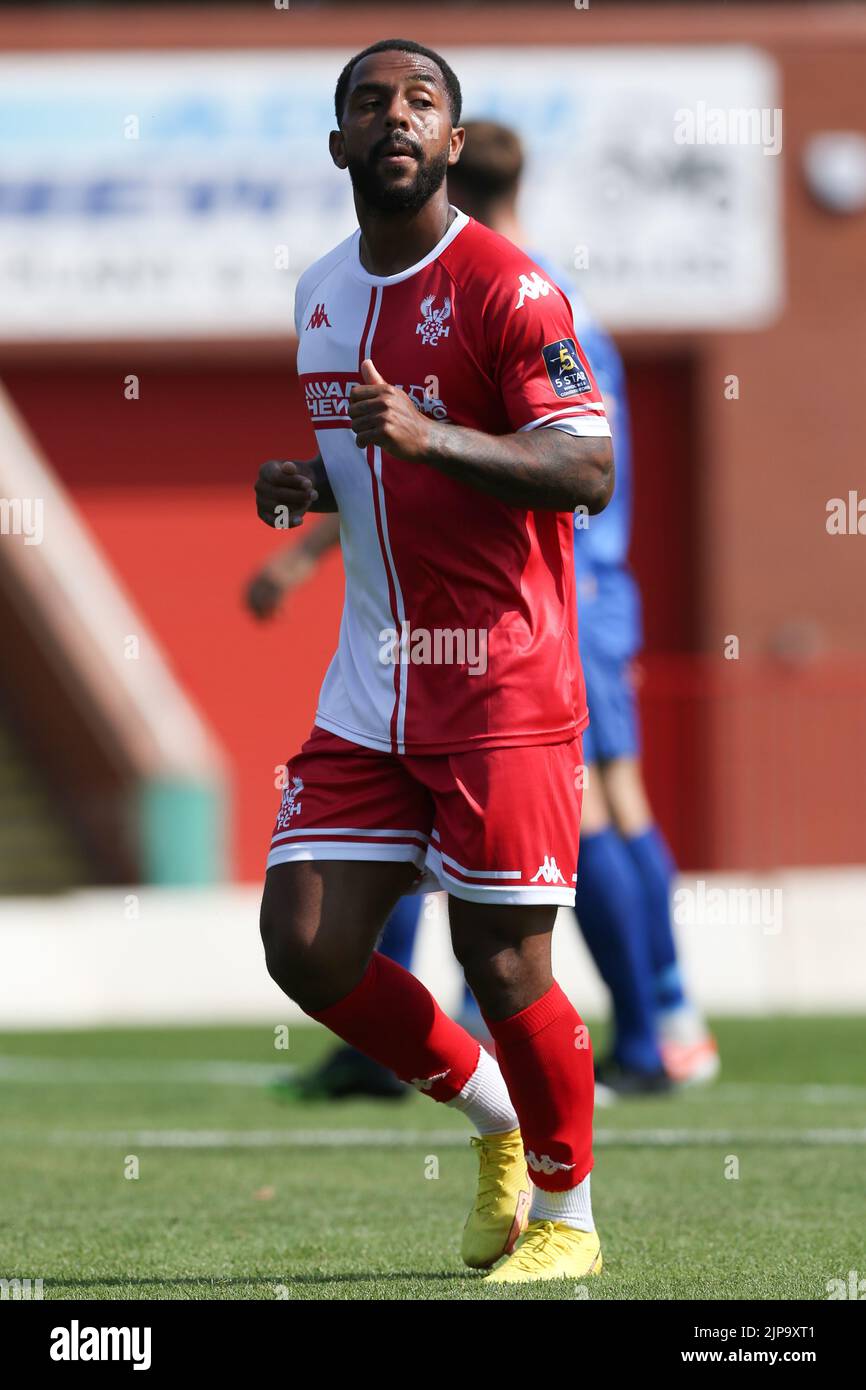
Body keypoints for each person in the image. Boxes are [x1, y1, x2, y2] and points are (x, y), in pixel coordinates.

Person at [249, 117, 718, 1103]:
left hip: (542, 599)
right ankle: (636, 1025)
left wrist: (308, 552)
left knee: (583, 815)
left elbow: (559, 462)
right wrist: (311, 522)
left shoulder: (514, 293)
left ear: (455, 156)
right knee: (579, 805)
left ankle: (647, 1027)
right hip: (542, 602)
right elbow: (400, 458)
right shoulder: (421, 290)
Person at [253, 39, 613, 1284]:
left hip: (500, 681)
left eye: (421, 103)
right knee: (304, 945)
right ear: (341, 144)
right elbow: (384, 476)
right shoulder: (314, 293)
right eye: (369, 103)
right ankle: (497, 1125)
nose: (394, 117)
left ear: (451, 144)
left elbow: (585, 469)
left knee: (501, 960)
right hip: (369, 684)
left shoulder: (512, 289)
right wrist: (320, 484)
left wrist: (421, 429)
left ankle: (568, 1217)